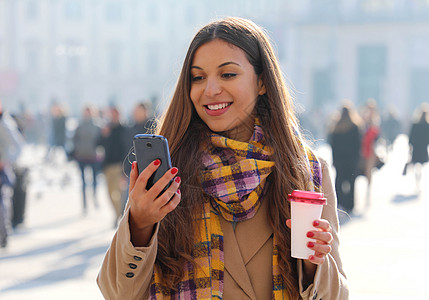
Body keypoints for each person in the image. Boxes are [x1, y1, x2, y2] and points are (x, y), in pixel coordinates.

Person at [97, 17, 348, 299]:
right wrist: (139, 224)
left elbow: (337, 295)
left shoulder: (306, 172)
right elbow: (116, 292)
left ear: (262, 82)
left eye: (228, 75)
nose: (210, 90)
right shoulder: (167, 171)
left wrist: (313, 266)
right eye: (198, 77)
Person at [329, 101, 362, 215]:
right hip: (352, 159)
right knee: (351, 181)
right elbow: (358, 144)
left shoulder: (336, 126)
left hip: (339, 159)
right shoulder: (355, 126)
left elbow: (333, 144)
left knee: (339, 181)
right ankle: (350, 205)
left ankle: (340, 202)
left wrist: (334, 158)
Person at [0, 100, 25, 247]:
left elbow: (18, 146)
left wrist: (6, 161)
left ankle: (3, 235)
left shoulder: (5, 123)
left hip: (2, 170)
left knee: (2, 205)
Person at [98, 106, 129, 226]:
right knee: (109, 193)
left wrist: (124, 169)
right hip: (107, 166)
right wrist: (104, 135)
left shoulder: (123, 129)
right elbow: (99, 144)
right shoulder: (107, 128)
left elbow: (126, 148)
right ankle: (117, 214)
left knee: (119, 193)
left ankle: (119, 217)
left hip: (118, 165)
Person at [72, 106, 102, 215]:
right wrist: (77, 149)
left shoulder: (97, 126)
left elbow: (101, 140)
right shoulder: (79, 125)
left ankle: (94, 198)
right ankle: (84, 204)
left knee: (94, 180)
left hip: (93, 156)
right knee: (83, 181)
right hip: (81, 156)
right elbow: (74, 139)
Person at [408, 103, 429, 190]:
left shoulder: (416, 124)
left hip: (417, 147)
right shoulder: (428, 125)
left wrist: (410, 145)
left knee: (417, 164)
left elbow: (411, 136)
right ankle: (418, 177)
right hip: (422, 147)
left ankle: (417, 177)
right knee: (420, 164)